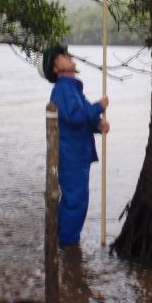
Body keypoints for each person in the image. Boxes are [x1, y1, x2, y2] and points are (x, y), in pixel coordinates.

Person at [38, 45, 109, 245]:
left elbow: (83, 119)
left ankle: (67, 242)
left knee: (78, 202)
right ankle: (67, 245)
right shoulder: (62, 90)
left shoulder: (74, 88)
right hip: (71, 157)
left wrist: (98, 126)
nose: (67, 56)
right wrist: (99, 107)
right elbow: (77, 117)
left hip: (79, 155)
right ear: (55, 69)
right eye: (61, 56)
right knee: (75, 202)